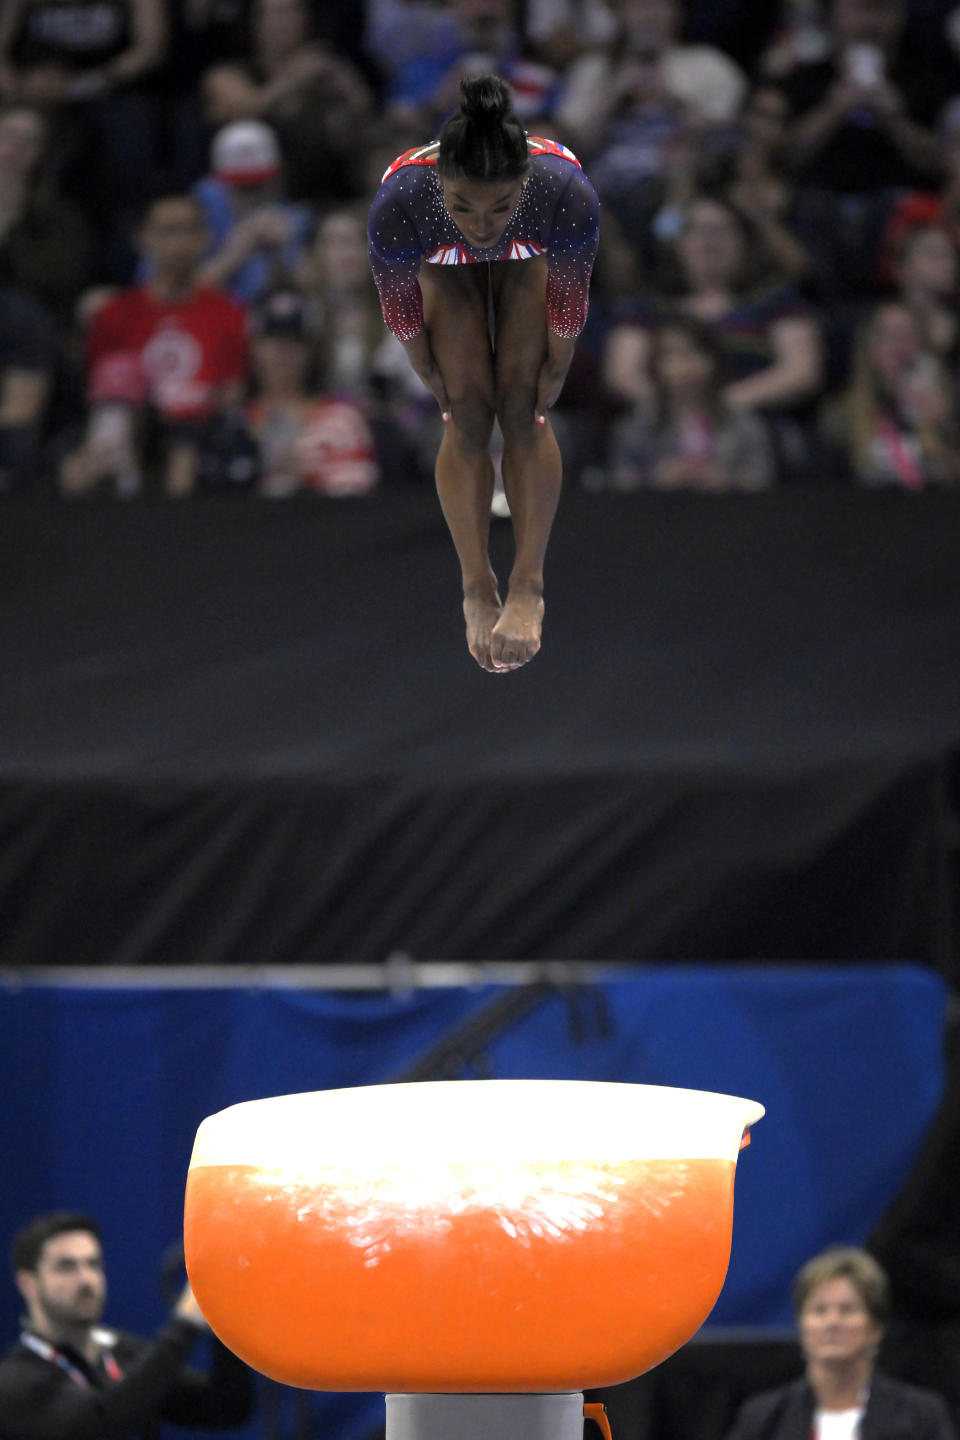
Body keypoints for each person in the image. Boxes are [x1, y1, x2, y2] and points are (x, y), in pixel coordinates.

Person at [367, 74, 600, 672]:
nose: (480, 223)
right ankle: (476, 586)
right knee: (465, 408)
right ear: (440, 184)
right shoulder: (402, 200)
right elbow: (400, 307)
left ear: (522, 183)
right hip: (439, 262)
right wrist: (425, 366)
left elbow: (570, 301)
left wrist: (560, 362)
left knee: (525, 405)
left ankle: (528, 586)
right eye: (463, 204)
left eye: (498, 204)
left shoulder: (563, 190)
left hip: (533, 252)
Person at [0, 1210, 254, 1439]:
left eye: (93, 1264)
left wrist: (224, 1318)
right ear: (28, 1284)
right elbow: (101, 1424)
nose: (86, 1279)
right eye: (67, 1267)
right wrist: (185, 1323)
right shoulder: (14, 1383)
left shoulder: (120, 1350)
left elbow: (226, 1409)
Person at [61, 193, 249, 497]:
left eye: (188, 230)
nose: (178, 243)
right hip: (133, 436)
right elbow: (99, 395)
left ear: (205, 238)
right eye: (167, 231)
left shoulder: (229, 314)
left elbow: (232, 394)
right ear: (143, 239)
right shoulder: (114, 315)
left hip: (202, 440)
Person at [724, 1247, 958, 1440]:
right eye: (819, 1310)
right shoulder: (763, 1419)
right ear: (801, 1325)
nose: (832, 1322)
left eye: (847, 1310)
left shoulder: (921, 1417)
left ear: (875, 1327)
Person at [608, 313, 774, 489]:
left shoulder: (741, 419)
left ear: (713, 361)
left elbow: (761, 476)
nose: (685, 366)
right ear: (656, 365)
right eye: (672, 355)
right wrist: (655, 477)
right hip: (656, 510)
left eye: (695, 352)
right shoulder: (639, 421)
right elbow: (620, 477)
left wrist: (729, 480)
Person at [245, 284, 380, 496]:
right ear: (254, 347)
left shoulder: (341, 420)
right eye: (273, 339)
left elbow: (358, 502)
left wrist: (309, 475)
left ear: (311, 351)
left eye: (295, 340)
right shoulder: (232, 423)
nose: (284, 350)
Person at [819, 300, 960, 489]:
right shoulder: (840, 414)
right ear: (868, 345)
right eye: (889, 336)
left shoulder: (949, 403)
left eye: (909, 336)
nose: (900, 347)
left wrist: (941, 426)